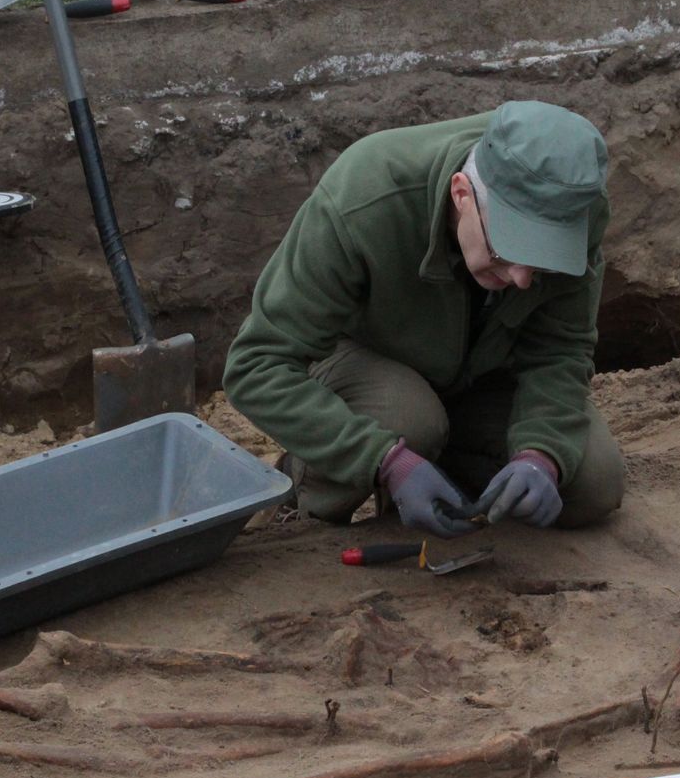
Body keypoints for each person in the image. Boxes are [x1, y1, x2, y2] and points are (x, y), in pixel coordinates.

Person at [223, 100, 625, 539]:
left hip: (482, 370)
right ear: (461, 194)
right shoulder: (364, 196)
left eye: (543, 261)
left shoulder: (573, 207)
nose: (523, 278)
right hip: (365, 359)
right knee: (409, 419)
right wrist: (387, 460)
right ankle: (310, 497)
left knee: (592, 480)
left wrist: (540, 455)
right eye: (507, 250)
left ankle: (447, 471)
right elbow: (255, 365)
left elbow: (559, 349)